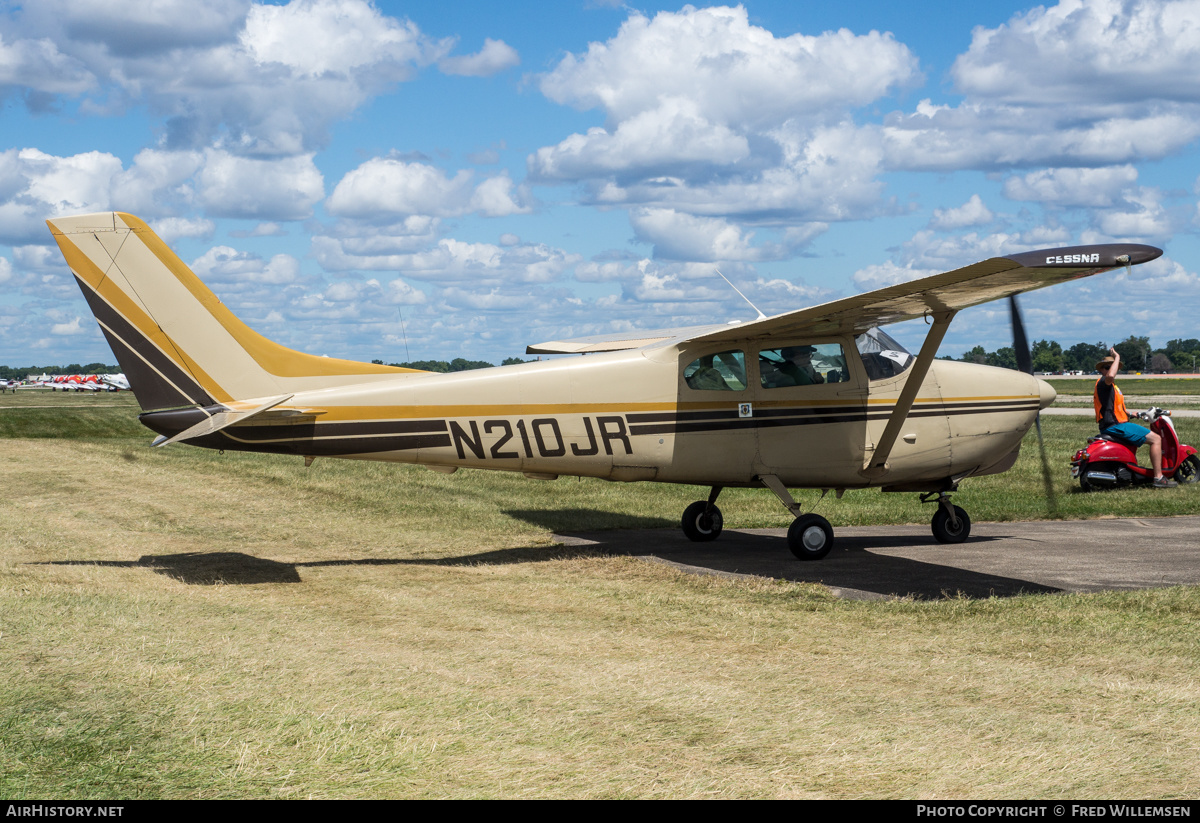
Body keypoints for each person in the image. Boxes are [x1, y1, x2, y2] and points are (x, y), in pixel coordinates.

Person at [1094, 347, 1176, 488]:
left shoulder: (1111, 387)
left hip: (1115, 423)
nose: (1109, 369)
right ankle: (1158, 477)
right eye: (1106, 367)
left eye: (1111, 366)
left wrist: (1132, 414)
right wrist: (1117, 357)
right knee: (1156, 439)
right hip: (1115, 426)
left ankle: (1132, 473)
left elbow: (1111, 408)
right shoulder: (1104, 382)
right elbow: (1110, 377)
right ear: (1101, 370)